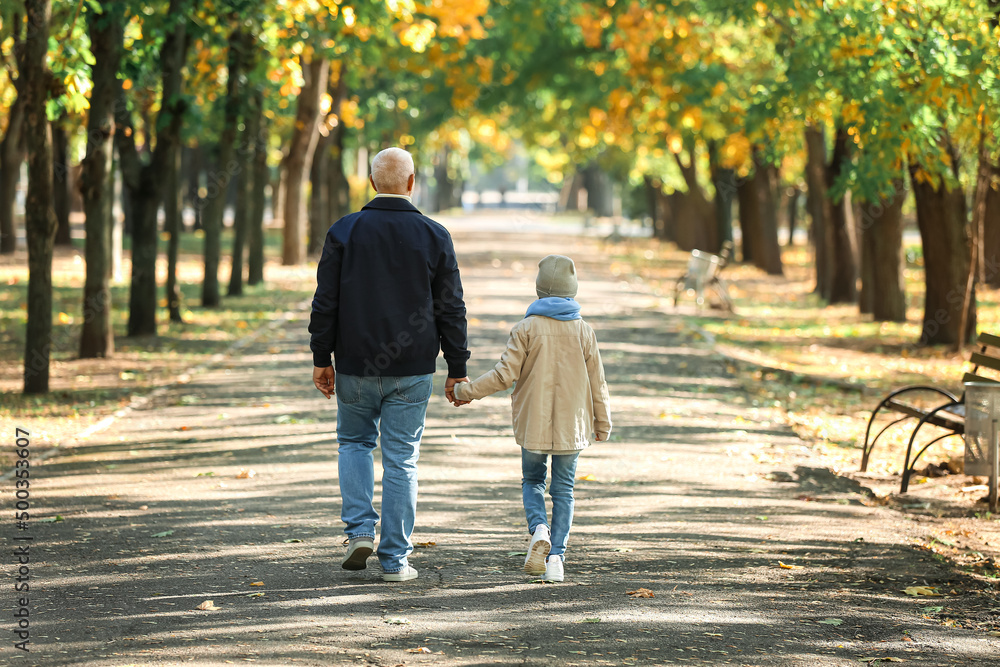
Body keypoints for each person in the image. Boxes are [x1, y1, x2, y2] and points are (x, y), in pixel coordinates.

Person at [309, 147, 470, 582]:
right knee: (401, 459)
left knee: (354, 444)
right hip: (414, 367)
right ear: (412, 182)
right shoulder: (435, 235)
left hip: (355, 365)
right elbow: (451, 308)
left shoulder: (344, 231)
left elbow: (326, 302)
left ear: (372, 181)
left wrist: (321, 357)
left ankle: (360, 530)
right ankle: (395, 560)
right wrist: (457, 366)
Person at [452, 254, 611, 582]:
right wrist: (602, 422)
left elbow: (503, 375)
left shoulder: (525, 329)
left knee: (533, 481)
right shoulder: (584, 332)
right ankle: (556, 559)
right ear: (572, 290)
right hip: (573, 426)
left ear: (539, 289)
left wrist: (465, 391)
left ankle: (539, 528)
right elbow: (598, 381)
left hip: (533, 423)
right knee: (564, 489)